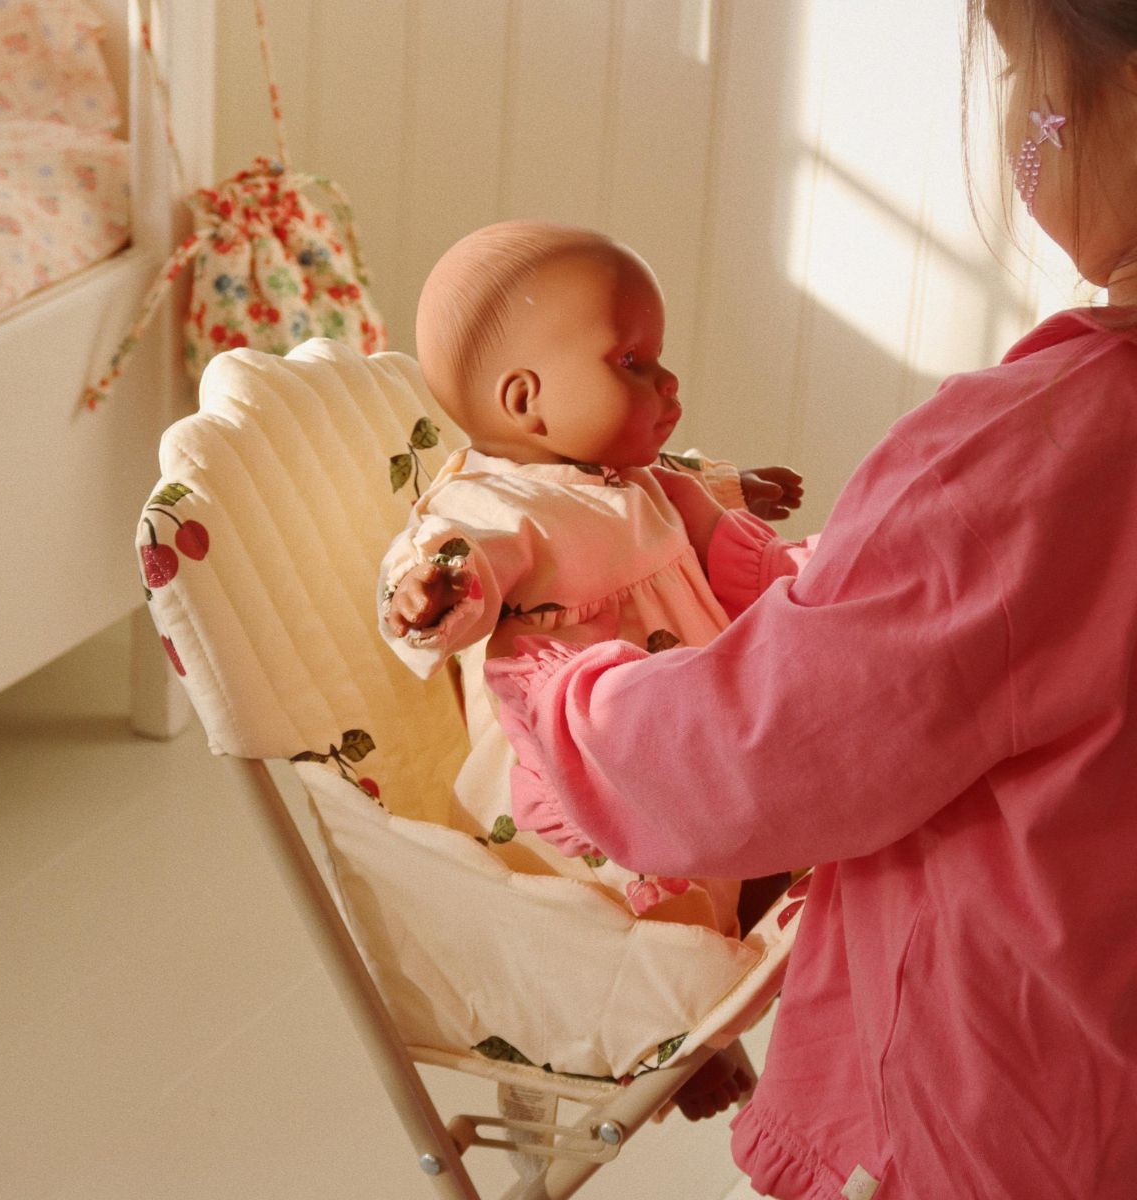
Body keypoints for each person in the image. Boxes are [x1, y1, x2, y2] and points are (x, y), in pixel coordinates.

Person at [483, 1, 1137, 1195]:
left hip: (1016, 1115)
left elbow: (749, 752)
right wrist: (774, 572)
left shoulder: (1025, 452)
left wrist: (550, 682)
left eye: (1015, 72)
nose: (1012, 122)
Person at [378, 220, 804, 1117]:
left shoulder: (624, 474)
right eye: (634, 362)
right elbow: (454, 556)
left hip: (676, 736)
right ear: (528, 401)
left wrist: (736, 487)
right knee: (650, 906)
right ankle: (677, 1043)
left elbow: (682, 490)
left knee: (738, 850)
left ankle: (725, 985)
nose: (667, 381)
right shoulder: (492, 502)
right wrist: (431, 591)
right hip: (585, 765)